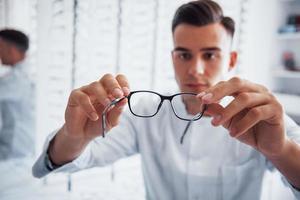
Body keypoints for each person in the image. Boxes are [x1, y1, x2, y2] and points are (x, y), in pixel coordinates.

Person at [33, 0, 300, 199]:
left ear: (230, 60)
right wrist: (74, 135)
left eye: (210, 55)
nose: (195, 69)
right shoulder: (146, 114)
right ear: (173, 58)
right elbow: (70, 159)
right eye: (184, 55)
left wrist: (281, 151)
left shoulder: (261, 117)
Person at [0, 29, 35, 160]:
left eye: (1, 47)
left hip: (15, 154)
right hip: (18, 151)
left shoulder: (17, 79)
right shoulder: (21, 75)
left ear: (11, 50)